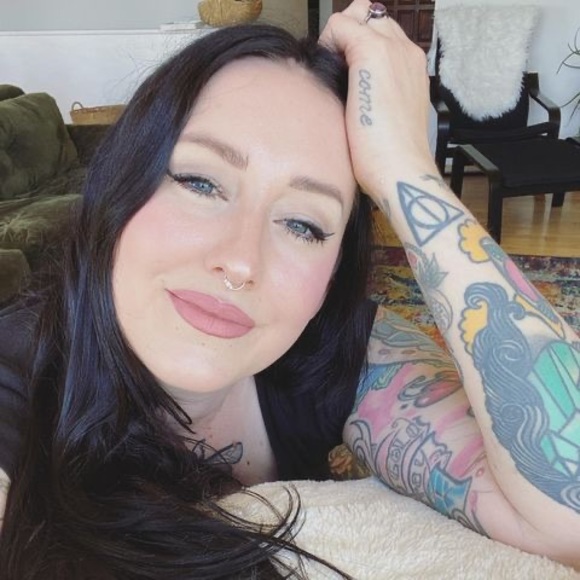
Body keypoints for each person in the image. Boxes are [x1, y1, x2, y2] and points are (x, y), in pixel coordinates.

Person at [0, 0, 579, 576]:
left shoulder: (337, 346)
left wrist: (406, 167)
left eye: (303, 224)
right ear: (118, 185)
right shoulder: (16, 369)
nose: (240, 261)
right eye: (200, 183)